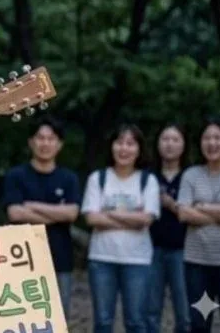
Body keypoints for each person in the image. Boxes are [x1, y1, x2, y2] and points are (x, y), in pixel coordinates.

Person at [81, 123, 160, 333]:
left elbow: (146, 220)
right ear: (111, 146)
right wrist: (132, 217)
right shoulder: (98, 178)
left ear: (139, 149)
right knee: (103, 322)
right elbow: (91, 218)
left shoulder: (147, 180)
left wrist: (108, 213)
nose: (124, 149)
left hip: (137, 260)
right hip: (101, 259)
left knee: (136, 322)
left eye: (130, 143)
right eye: (119, 142)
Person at [2, 116, 80, 322]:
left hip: (60, 258)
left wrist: (31, 205)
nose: (45, 143)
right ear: (31, 142)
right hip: (21, 258)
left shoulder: (68, 178)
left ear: (59, 144)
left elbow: (72, 214)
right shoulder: (15, 176)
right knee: (23, 318)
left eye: (51, 138)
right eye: (40, 138)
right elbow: (14, 213)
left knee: (58, 319)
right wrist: (57, 213)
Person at [177, 116, 220, 333]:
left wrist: (202, 206)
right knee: (200, 323)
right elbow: (183, 213)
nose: (212, 143)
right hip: (198, 264)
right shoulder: (191, 175)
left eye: (218, 137)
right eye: (207, 138)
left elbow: (192, 210)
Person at [146, 123, 190, 333]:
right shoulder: (148, 176)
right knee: (151, 311)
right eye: (165, 139)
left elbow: (194, 211)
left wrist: (169, 204)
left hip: (184, 250)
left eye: (175, 140)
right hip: (150, 249)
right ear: (157, 144)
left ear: (183, 145)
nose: (169, 144)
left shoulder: (191, 176)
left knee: (185, 313)